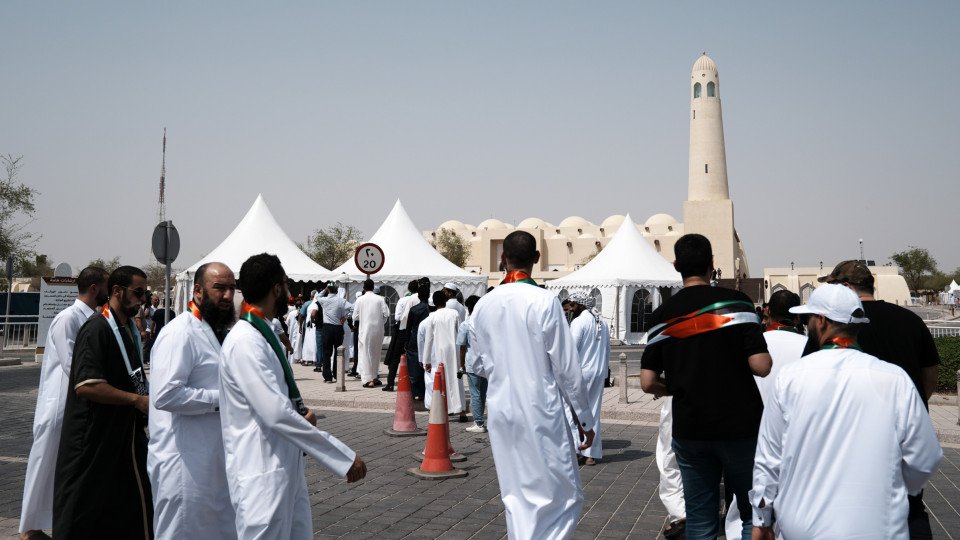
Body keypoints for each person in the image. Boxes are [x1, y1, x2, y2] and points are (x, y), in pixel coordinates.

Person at [750, 284, 943, 539]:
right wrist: (894, 488)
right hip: (878, 527)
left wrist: (761, 520)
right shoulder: (895, 379)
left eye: (809, 318)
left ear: (821, 321)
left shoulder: (790, 378)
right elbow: (925, 457)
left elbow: (769, 456)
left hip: (802, 526)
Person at [219, 254, 366, 539]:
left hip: (285, 466)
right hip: (262, 471)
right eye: (286, 285)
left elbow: (277, 398)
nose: (288, 292)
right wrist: (341, 457)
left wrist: (300, 412)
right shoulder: (245, 341)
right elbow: (274, 413)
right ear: (276, 288)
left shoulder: (264, 332)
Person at [639, 234, 771, 540]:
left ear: (676, 266)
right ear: (713, 265)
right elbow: (761, 366)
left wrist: (679, 385)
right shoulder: (737, 304)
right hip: (741, 425)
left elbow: (647, 382)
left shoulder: (662, 316)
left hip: (691, 427)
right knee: (752, 513)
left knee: (700, 519)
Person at [471, 231, 597, 539]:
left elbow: (475, 364)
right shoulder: (545, 301)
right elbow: (567, 368)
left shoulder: (484, 305)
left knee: (515, 495)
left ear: (503, 259)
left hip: (502, 410)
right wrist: (584, 418)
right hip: (541, 409)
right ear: (537, 259)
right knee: (565, 494)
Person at [815, 259, 942, 535]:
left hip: (851, 433)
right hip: (904, 431)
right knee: (910, 506)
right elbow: (929, 377)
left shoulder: (839, 326)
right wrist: (914, 406)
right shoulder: (910, 320)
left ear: (847, 287)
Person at [54, 265, 153, 539]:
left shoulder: (123, 329)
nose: (143, 299)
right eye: (138, 292)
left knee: (128, 509)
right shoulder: (97, 329)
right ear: (118, 291)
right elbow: (88, 386)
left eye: (145, 293)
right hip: (93, 440)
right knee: (82, 514)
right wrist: (136, 400)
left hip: (123, 437)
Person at [147, 262, 237, 539]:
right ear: (197, 291)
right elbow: (166, 395)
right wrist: (225, 399)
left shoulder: (215, 330)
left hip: (211, 458)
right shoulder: (179, 332)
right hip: (183, 461)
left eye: (232, 289)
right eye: (219, 288)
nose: (227, 297)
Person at [19, 266, 109, 540]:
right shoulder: (66, 319)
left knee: (62, 467)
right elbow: (74, 364)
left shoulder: (92, 318)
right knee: (44, 462)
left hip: (75, 403)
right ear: (94, 288)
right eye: (105, 286)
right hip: (59, 403)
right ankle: (28, 529)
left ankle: (52, 522)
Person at [724, 289, 806, 538]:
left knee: (745, 501)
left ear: (768, 312)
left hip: (750, 432)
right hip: (794, 436)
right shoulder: (808, 347)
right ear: (798, 317)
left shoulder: (753, 345)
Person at [566, 290, 610, 466]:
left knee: (577, 412)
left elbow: (571, 350)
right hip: (599, 372)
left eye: (572, 304)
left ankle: (579, 449)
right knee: (593, 412)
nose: (569, 308)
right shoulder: (603, 322)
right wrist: (606, 373)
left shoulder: (579, 322)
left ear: (580, 304)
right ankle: (591, 454)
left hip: (582, 373)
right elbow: (607, 350)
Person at [422, 290, 467, 421]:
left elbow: (429, 340)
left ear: (434, 303)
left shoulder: (432, 317)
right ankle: (461, 410)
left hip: (439, 351)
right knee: (456, 379)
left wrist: (427, 360)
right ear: (446, 301)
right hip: (454, 349)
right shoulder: (454, 313)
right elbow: (460, 333)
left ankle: (445, 409)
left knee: (442, 381)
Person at [382, 279, 420, 391]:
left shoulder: (403, 300)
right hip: (415, 331)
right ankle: (413, 384)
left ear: (408, 288)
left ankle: (390, 384)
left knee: (395, 358)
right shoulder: (420, 300)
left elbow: (397, 317)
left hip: (402, 331)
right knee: (413, 359)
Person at [352, 279, 389, 388]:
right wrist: (381, 322)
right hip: (378, 330)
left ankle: (368, 379)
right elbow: (386, 314)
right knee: (376, 353)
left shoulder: (360, 300)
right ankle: (374, 376)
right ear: (373, 288)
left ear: (364, 287)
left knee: (365, 353)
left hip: (365, 330)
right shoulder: (380, 299)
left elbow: (355, 316)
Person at [458, 295, 486, 433]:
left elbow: (462, 346)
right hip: (486, 363)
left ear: (468, 308)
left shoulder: (466, 324)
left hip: (472, 363)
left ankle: (479, 422)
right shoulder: (486, 323)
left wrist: (461, 364)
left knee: (475, 393)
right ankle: (481, 420)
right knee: (483, 393)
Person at [315, 283, 349, 382]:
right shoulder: (341, 300)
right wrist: (346, 317)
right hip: (338, 327)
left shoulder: (324, 300)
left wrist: (325, 289)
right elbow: (352, 308)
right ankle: (337, 374)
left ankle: (327, 376)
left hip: (327, 327)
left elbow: (318, 296)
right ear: (337, 291)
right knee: (338, 352)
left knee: (326, 352)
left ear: (328, 290)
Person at [404, 284, 431, 401]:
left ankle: (416, 391)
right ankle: (426, 391)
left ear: (418, 296)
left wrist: (405, 343)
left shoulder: (413, 310)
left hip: (414, 340)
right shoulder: (431, 310)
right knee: (427, 366)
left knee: (414, 367)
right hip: (429, 340)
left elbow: (408, 328)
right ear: (429, 295)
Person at [301, 290, 319, 366]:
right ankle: (314, 359)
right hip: (313, 326)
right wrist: (313, 321)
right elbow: (313, 314)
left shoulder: (309, 304)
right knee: (314, 341)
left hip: (309, 326)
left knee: (307, 341)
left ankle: (306, 359)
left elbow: (302, 314)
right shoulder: (316, 304)